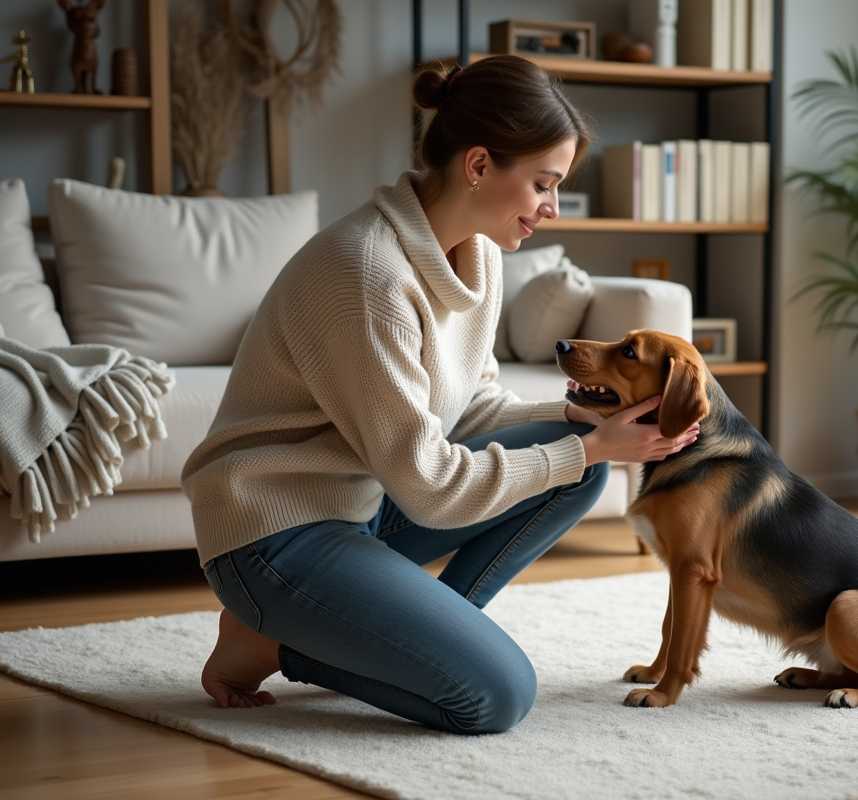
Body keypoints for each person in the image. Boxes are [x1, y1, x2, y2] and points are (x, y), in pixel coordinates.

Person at [180, 56, 699, 736]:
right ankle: (275, 641)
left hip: (362, 502)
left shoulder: (477, 255)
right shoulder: (368, 274)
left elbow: (473, 407)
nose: (552, 207)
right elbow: (428, 484)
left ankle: (399, 640)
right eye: (544, 184)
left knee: (578, 460)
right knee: (494, 696)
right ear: (479, 165)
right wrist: (590, 443)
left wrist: (578, 421)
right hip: (273, 535)